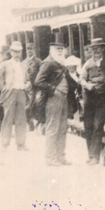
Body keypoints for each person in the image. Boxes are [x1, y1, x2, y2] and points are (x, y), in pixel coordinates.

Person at [34, 38, 73, 166]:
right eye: (58, 49)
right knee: (52, 129)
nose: (60, 51)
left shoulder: (59, 63)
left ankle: (60, 157)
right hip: (53, 99)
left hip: (63, 99)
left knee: (62, 129)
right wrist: (53, 90)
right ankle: (50, 159)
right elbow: (38, 81)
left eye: (62, 49)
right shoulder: (48, 63)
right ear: (51, 50)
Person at [0, 41, 29, 152]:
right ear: (11, 52)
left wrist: (28, 84)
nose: (17, 53)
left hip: (21, 93)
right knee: (7, 119)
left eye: (19, 51)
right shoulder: (5, 64)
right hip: (10, 94)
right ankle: (4, 144)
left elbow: (27, 79)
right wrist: (3, 88)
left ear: (21, 52)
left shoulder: (23, 65)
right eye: (15, 51)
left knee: (21, 120)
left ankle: (21, 145)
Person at [80, 38, 105, 166]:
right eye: (94, 49)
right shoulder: (87, 64)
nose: (96, 51)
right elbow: (81, 78)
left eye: (98, 48)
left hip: (103, 98)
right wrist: (86, 85)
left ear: (103, 49)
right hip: (89, 97)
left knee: (98, 125)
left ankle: (95, 157)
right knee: (88, 126)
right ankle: (91, 154)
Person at [22, 43, 42, 132]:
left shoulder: (38, 61)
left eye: (31, 48)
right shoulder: (23, 62)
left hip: (35, 88)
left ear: (34, 50)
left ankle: (36, 123)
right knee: (26, 107)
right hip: (26, 88)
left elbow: (41, 74)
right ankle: (30, 123)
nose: (29, 50)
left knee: (33, 106)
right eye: (27, 49)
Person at [64, 55, 82, 120]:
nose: (71, 67)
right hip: (70, 96)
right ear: (67, 67)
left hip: (79, 96)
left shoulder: (79, 74)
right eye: (69, 66)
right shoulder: (65, 76)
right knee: (70, 110)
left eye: (73, 66)